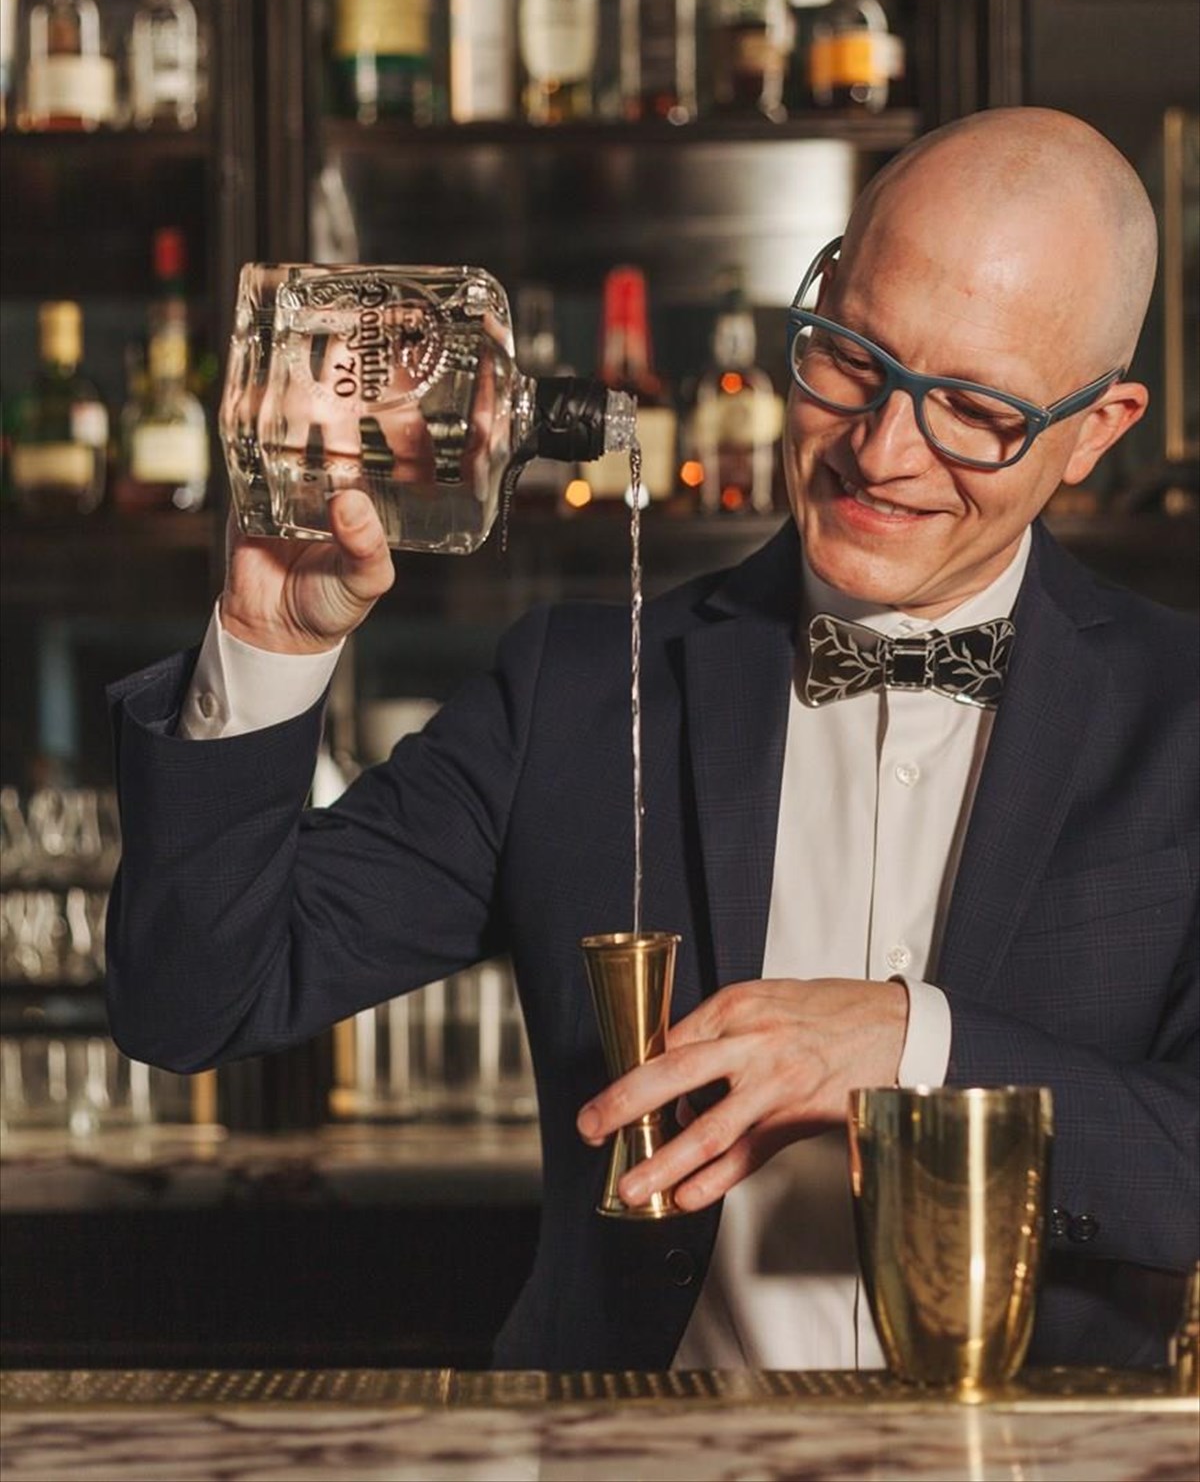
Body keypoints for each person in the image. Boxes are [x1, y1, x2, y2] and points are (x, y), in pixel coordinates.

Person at [105, 107, 1198, 1371]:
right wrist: (265, 644)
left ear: (1097, 429)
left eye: (973, 408)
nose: (882, 450)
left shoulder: (1181, 715)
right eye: (852, 358)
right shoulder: (579, 689)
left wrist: (912, 1048)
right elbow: (191, 1002)